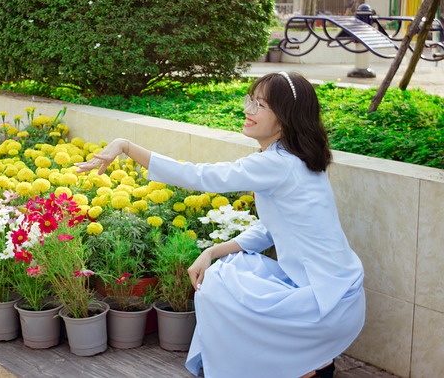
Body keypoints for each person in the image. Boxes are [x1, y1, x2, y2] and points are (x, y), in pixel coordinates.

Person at [75, 72, 365, 378]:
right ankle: (314, 367)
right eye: (250, 100)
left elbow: (199, 176)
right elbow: (272, 227)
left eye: (260, 105)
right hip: (335, 292)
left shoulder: (277, 163)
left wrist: (126, 146)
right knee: (227, 275)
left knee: (221, 285)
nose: (248, 110)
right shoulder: (295, 160)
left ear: (284, 118)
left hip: (325, 301)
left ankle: (308, 367)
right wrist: (214, 251)